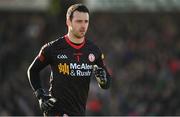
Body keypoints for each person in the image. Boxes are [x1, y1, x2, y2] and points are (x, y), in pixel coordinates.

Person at [27, 3, 111, 116]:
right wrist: (41, 96)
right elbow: (32, 70)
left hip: (79, 112)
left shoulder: (94, 50)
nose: (83, 26)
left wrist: (103, 80)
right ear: (68, 22)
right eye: (79, 21)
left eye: (86, 21)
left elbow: (106, 84)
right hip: (56, 112)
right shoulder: (52, 48)